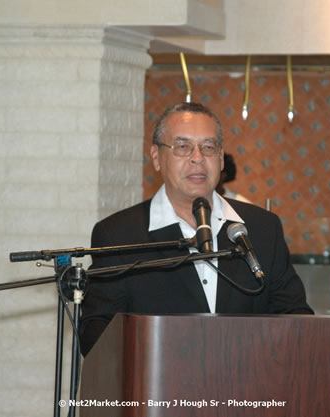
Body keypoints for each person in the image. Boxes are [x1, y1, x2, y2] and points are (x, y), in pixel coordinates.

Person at [79, 102, 312, 355]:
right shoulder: (118, 235)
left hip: (248, 386)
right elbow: (96, 335)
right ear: (156, 158)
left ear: (221, 159)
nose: (198, 157)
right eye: (182, 147)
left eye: (208, 147)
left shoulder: (262, 228)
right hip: (160, 388)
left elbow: (295, 317)